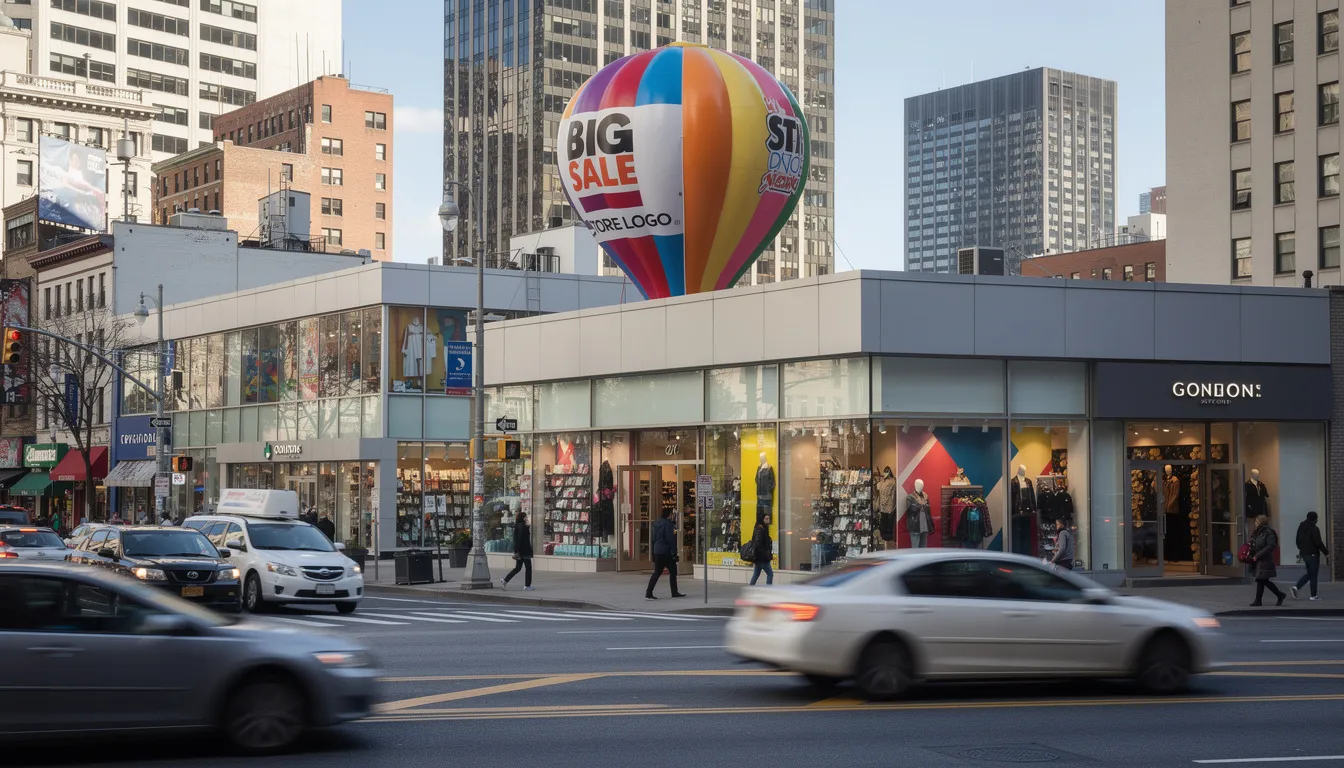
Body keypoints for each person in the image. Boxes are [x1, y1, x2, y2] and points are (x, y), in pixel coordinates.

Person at [646, 508, 686, 600]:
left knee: (657, 572)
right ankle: (674, 592)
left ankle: (648, 593)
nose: (672, 516)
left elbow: (653, 539)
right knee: (673, 571)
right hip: (666, 551)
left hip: (657, 550)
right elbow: (670, 539)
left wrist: (653, 553)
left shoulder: (656, 524)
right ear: (669, 515)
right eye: (672, 514)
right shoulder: (668, 525)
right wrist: (675, 553)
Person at [1249, 514, 1287, 606]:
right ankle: (1278, 595)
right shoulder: (1258, 532)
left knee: (1261, 579)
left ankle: (1260, 600)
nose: (1255, 522)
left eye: (1256, 521)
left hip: (1265, 559)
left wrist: (1259, 555)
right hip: (1259, 558)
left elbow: (1271, 545)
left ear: (1261, 522)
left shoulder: (1267, 532)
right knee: (1262, 580)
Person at [1292, 511, 1329, 601]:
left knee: (1310, 573)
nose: (1317, 520)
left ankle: (1297, 587)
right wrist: (1326, 552)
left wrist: (1302, 549)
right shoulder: (1314, 528)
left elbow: (1297, 540)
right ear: (1315, 519)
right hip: (1313, 554)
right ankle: (1313, 596)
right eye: (1316, 519)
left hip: (1304, 554)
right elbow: (1318, 542)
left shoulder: (1301, 527)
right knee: (1313, 576)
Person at [499, 512, 534, 591]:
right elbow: (520, 539)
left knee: (518, 568)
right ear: (522, 517)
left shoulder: (519, 525)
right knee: (528, 568)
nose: (526, 518)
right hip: (524, 551)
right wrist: (518, 551)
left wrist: (517, 551)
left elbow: (517, 539)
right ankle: (527, 586)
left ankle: (505, 580)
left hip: (520, 551)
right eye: (525, 517)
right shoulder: (522, 526)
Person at [749, 518, 774, 586]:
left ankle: (751, 587)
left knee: (756, 574)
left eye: (768, 518)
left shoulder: (762, 529)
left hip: (759, 557)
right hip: (762, 558)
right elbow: (758, 544)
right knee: (770, 574)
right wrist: (765, 554)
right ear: (762, 520)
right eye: (766, 518)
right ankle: (769, 589)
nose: (768, 520)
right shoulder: (760, 530)